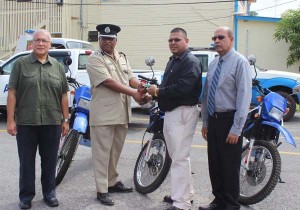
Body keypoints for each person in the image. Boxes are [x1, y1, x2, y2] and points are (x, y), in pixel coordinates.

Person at [86, 24, 148, 206]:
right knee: (102, 153)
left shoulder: (121, 57)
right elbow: (108, 82)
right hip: (104, 114)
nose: (108, 42)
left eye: (111, 39)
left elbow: (130, 77)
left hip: (121, 112)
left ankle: (112, 182)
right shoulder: (94, 59)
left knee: (115, 152)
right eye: (104, 39)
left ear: (116, 40)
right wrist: (134, 93)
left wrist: (140, 87)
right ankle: (102, 189)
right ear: (99, 40)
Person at [7, 29, 69, 209]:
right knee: (26, 162)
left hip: (52, 122)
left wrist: (65, 119)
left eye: (44, 41)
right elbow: (12, 93)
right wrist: (11, 120)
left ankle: (49, 193)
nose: (41, 43)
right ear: (31, 44)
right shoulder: (20, 64)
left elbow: (64, 95)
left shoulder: (57, 66)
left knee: (50, 161)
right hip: (26, 122)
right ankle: (26, 196)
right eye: (37, 40)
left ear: (50, 44)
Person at [147, 27, 202, 210]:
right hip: (172, 113)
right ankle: (185, 195)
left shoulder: (190, 61)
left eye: (177, 40)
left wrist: (158, 92)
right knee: (178, 157)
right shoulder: (174, 61)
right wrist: (154, 94)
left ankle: (182, 204)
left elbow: (184, 87)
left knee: (179, 158)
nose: (173, 43)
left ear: (186, 40)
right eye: (170, 40)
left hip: (183, 113)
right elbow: (167, 86)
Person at [200, 26, 252, 210]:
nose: (216, 41)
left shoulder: (240, 62)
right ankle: (218, 200)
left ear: (231, 39)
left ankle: (230, 204)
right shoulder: (214, 63)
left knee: (229, 166)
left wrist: (236, 128)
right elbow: (206, 95)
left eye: (221, 37)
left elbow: (244, 97)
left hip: (229, 120)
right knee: (215, 164)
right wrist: (205, 121)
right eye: (214, 38)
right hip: (213, 121)